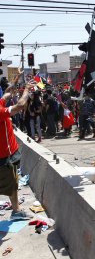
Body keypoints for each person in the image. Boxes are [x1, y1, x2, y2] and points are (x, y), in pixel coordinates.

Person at [0, 70, 34, 220]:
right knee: (12, 184)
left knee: (12, 183)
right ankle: (16, 211)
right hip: (4, 156)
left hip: (10, 153)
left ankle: (16, 210)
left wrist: (16, 79)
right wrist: (26, 90)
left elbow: (7, 94)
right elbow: (20, 106)